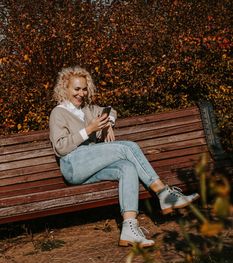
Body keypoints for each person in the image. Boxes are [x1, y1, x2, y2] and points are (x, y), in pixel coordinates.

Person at [49, 66, 199, 248]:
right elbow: (60, 148)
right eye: (76, 89)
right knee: (128, 147)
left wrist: (108, 124)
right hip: (73, 164)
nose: (81, 93)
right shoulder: (59, 113)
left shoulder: (87, 109)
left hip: (90, 166)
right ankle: (163, 192)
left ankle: (129, 228)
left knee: (126, 167)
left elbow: (110, 111)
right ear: (65, 88)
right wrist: (89, 129)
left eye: (84, 88)